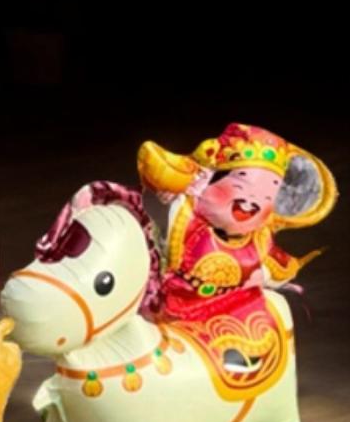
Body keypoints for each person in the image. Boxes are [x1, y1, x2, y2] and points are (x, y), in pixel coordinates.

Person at [138, 123, 337, 319]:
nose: (253, 197)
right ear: (208, 181)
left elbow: (278, 270)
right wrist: (170, 193)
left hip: (231, 312)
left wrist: (260, 277)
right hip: (167, 308)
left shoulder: (260, 241)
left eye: (269, 191)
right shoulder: (184, 217)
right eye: (242, 179)